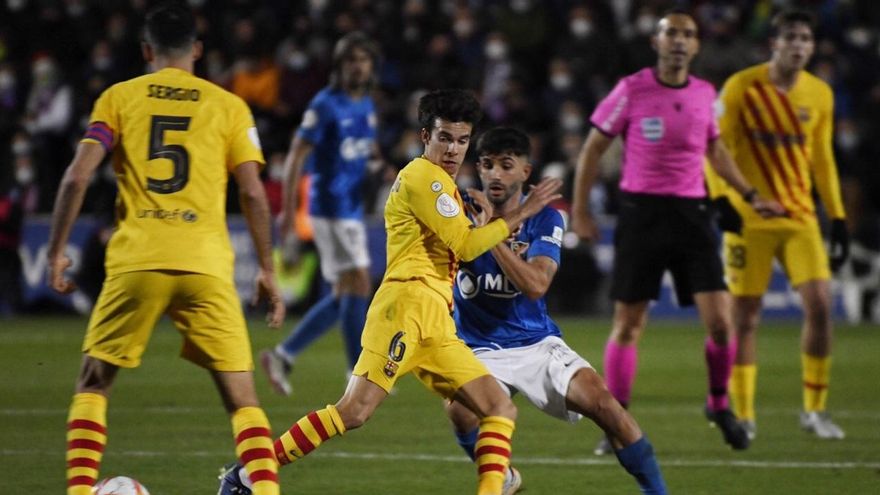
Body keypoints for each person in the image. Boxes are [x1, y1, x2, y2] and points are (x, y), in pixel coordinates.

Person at [219, 89, 562, 495]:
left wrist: (484, 221)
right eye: (445, 138)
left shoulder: (445, 186)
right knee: (354, 411)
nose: (453, 149)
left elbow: (463, 243)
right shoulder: (423, 178)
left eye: (462, 140)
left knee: (498, 407)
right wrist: (521, 213)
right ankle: (246, 475)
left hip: (435, 321)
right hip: (403, 309)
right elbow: (467, 247)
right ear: (424, 136)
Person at [46, 4, 284, 495]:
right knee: (243, 401)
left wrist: (55, 252)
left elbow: (76, 177)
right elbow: (254, 193)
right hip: (206, 264)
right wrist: (266, 267)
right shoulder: (228, 106)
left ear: (147, 51)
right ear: (196, 50)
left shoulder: (118, 98)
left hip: (138, 259)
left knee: (93, 384)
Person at [570, 10, 785, 455]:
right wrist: (580, 211)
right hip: (641, 214)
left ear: (697, 45)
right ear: (656, 41)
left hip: (692, 216)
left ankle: (718, 403)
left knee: (722, 326)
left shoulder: (706, 94)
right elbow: (593, 149)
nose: (679, 42)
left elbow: (716, 149)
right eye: (671, 33)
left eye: (688, 35)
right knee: (629, 325)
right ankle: (617, 420)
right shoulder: (632, 89)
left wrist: (749, 193)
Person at [447, 127, 666, 494]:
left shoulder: (545, 219)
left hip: (536, 343)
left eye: (506, 165)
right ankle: (505, 478)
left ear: (524, 172)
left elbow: (535, 285)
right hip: (477, 347)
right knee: (459, 411)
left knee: (607, 408)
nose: (495, 174)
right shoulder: (457, 213)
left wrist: (491, 234)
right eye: (487, 165)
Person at [712, 9, 849, 440]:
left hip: (799, 216)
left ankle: (815, 410)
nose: (799, 46)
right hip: (749, 217)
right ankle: (746, 415)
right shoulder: (741, 87)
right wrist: (721, 200)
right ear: (775, 43)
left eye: (806, 39)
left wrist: (839, 216)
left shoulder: (819, 94)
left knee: (822, 306)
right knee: (745, 317)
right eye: (791, 37)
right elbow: (712, 147)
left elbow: (823, 160)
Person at [260, 31, 382, 396]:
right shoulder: (325, 104)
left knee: (348, 290)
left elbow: (362, 147)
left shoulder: (366, 104)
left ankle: (285, 354)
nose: (358, 67)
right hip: (329, 206)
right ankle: (356, 371)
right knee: (359, 283)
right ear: (339, 66)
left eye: (363, 60)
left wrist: (376, 164)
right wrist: (288, 212)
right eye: (351, 60)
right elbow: (297, 154)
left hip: (351, 206)